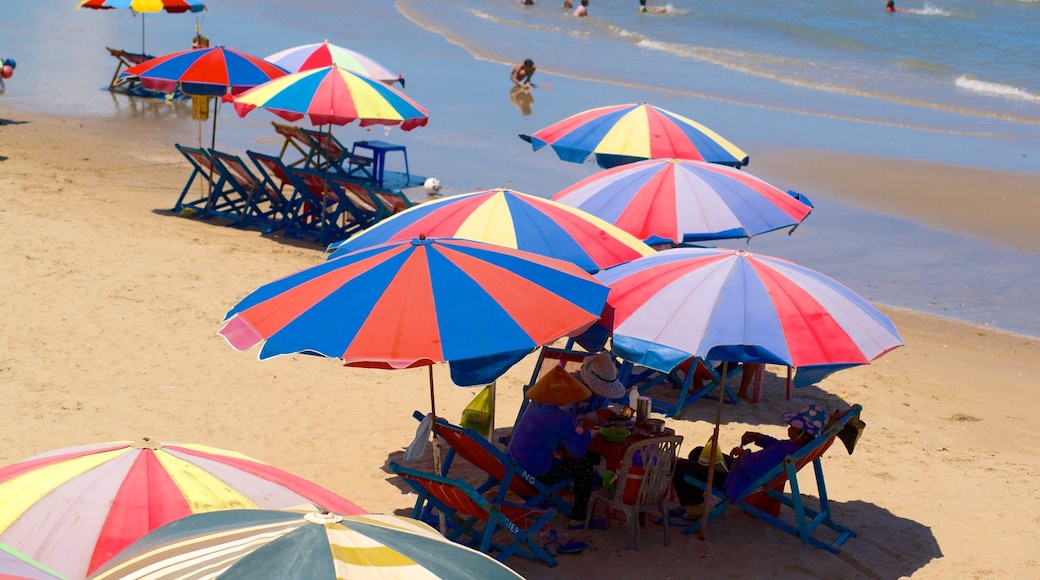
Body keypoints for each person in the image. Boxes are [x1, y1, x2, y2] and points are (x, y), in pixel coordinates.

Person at [671, 404, 829, 515]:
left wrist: (743, 455)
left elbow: (755, 471)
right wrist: (759, 438)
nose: (789, 427)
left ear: (804, 432)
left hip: (735, 480)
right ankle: (697, 497)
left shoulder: (785, 450)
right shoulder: (794, 448)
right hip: (738, 472)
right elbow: (775, 446)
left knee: (679, 467)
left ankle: (696, 507)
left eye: (794, 426)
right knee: (699, 453)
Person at [506, 366, 596, 528]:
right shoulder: (562, 418)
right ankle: (579, 517)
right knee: (585, 466)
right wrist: (588, 432)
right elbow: (578, 452)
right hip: (534, 475)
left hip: (512, 467)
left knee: (562, 459)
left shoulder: (533, 407)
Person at [570, 352, 629, 424]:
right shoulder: (566, 388)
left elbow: (602, 410)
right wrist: (595, 416)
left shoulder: (602, 395)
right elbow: (563, 423)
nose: (602, 393)